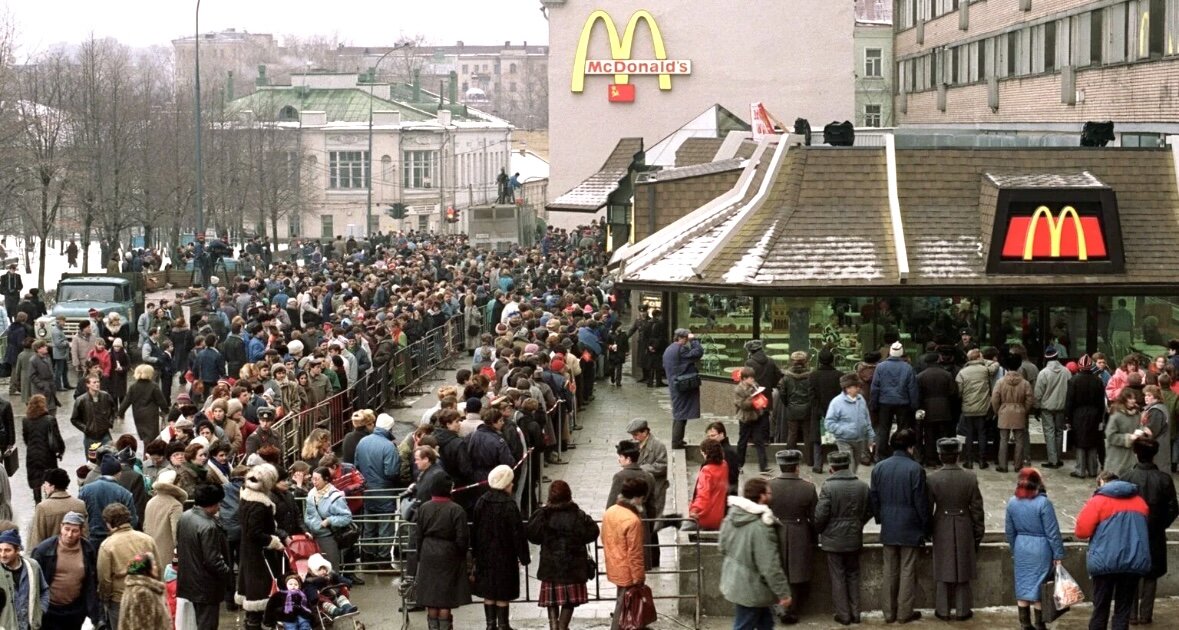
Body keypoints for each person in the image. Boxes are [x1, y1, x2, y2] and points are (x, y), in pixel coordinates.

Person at [1075, 472, 1152, 630]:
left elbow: (1082, 531)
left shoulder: (1098, 501)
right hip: (1133, 562)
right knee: (1123, 611)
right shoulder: (1140, 502)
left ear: (1102, 482)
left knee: (1100, 608)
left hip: (1105, 562)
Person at [869, 429, 929, 624]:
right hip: (910, 526)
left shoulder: (879, 468)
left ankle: (889, 613)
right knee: (907, 569)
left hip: (889, 525)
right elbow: (921, 503)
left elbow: (874, 498)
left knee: (889, 570)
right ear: (911, 447)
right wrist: (925, 527)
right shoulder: (916, 469)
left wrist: (881, 518)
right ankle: (904, 613)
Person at [718, 477, 793, 630]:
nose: (771, 496)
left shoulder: (732, 516)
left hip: (736, 581)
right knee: (744, 625)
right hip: (752, 588)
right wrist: (784, 593)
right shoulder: (761, 527)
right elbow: (769, 565)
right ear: (761, 496)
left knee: (765, 623)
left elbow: (722, 547)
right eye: (769, 493)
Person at [526, 480, 600, 630]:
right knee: (569, 601)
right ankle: (562, 626)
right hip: (573, 567)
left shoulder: (543, 514)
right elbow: (593, 532)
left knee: (552, 599)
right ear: (568, 495)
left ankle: (554, 626)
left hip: (550, 566)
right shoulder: (578, 514)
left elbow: (533, 535)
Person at [926, 438, 984, 621]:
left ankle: (942, 609)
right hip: (964, 523)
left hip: (941, 524)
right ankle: (962, 609)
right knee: (963, 568)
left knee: (942, 568)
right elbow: (977, 509)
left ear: (940, 455)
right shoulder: (970, 477)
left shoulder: (932, 478)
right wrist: (978, 532)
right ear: (958, 455)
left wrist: (928, 531)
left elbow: (927, 509)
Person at [1121, 440, 1178, 624]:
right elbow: (1173, 508)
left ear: (1136, 454)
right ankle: (1146, 614)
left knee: (1131, 574)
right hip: (1155, 533)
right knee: (1151, 575)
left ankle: (1131, 614)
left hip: (1131, 533)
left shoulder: (1126, 477)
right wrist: (1160, 524)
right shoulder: (1164, 479)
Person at [815, 451, 872, 626]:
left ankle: (843, 615)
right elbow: (870, 510)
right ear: (848, 465)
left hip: (833, 540)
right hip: (854, 538)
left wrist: (821, 530)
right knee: (853, 575)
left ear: (831, 468)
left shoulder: (828, 487)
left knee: (838, 576)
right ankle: (856, 613)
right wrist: (858, 524)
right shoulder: (862, 486)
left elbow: (820, 516)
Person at [1004, 467, 1066, 630]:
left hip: (1021, 547)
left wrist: (1014, 549)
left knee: (1023, 586)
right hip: (1041, 549)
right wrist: (1058, 554)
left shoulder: (1012, 502)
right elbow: (1052, 532)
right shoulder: (1044, 503)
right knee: (1040, 589)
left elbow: (1009, 531)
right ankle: (1039, 625)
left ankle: (1025, 624)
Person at [471, 464, 530, 630]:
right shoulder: (509, 505)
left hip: (485, 555)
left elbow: (475, 530)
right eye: (510, 482)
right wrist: (524, 556)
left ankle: (490, 625)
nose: (512, 485)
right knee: (503, 592)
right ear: (505, 484)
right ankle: (503, 625)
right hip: (505, 556)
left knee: (489, 592)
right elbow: (517, 533)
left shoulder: (481, 502)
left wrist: (475, 553)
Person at [765, 449, 816, 624]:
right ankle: (791, 609)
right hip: (800, 532)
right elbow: (814, 517)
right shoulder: (808, 487)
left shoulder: (769, 486)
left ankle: (779, 607)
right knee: (796, 574)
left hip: (776, 531)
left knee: (778, 571)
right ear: (797, 467)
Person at [414, 475, 470, 630]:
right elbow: (462, 538)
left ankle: (433, 627)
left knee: (431, 596)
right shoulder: (456, 509)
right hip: (448, 553)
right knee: (445, 597)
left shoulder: (424, 508)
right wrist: (462, 555)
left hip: (428, 551)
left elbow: (418, 534)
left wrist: (420, 554)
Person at [176, 483, 233, 629]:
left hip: (190, 580)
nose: (220, 507)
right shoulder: (208, 526)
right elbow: (213, 560)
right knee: (207, 624)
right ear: (213, 503)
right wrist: (227, 574)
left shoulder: (185, 517)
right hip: (206, 585)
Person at [236, 463, 285, 630]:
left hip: (250, 553)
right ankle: (253, 625)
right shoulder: (259, 504)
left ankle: (251, 623)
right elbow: (254, 532)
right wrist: (274, 541)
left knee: (252, 595)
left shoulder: (246, 497)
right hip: (259, 556)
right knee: (258, 596)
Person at [31, 511, 100, 630]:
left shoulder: (87, 549)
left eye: (74, 531)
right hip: (49, 610)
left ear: (81, 531)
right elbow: (33, 580)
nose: (69, 534)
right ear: (61, 527)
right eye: (66, 529)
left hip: (74, 610)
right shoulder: (44, 550)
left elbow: (92, 581)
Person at [96, 503, 159, 629]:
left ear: (109, 523)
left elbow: (105, 579)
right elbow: (158, 568)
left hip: (120, 600)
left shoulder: (107, 546)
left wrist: (105, 599)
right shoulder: (148, 540)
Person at [602, 477, 648, 630]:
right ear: (637, 497)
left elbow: (604, 537)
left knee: (622, 602)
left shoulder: (610, 511)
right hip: (628, 570)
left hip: (613, 563)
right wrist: (639, 578)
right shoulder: (633, 520)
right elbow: (635, 552)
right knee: (623, 607)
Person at [354, 412, 400, 554]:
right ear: (389, 428)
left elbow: (356, 466)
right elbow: (391, 472)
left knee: (369, 527)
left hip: (366, 491)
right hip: (385, 493)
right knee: (385, 528)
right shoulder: (389, 446)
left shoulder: (362, 442)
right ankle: (383, 558)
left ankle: (368, 556)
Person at [869, 341, 919, 460]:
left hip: (884, 402)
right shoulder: (907, 368)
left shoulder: (880, 367)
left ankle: (881, 455)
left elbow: (875, 387)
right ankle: (902, 453)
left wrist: (873, 404)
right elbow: (912, 388)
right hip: (903, 403)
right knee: (903, 430)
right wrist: (914, 405)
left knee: (883, 430)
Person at [79, 454, 138, 545]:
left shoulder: (85, 489)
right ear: (118, 473)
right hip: (115, 540)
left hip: (91, 539)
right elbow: (133, 520)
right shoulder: (124, 493)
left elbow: (79, 514)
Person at [823, 374, 876, 474]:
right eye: (856, 386)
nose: (858, 388)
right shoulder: (836, 402)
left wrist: (871, 436)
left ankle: (848, 478)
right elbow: (829, 423)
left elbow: (867, 418)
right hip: (844, 440)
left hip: (860, 440)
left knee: (855, 466)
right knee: (849, 465)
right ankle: (848, 480)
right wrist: (844, 431)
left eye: (859, 386)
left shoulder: (861, 399)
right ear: (847, 388)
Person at [991, 354, 1034, 472]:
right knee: (1019, 440)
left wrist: (998, 411)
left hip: (1004, 411)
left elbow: (995, 399)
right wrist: (1024, 410)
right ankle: (1018, 465)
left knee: (1003, 440)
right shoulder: (1025, 383)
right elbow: (1029, 399)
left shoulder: (1000, 382)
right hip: (1019, 411)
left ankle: (1002, 465)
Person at [303, 466, 352, 569]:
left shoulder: (335, 497)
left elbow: (347, 517)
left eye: (317, 479)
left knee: (331, 568)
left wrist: (329, 520)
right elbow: (308, 513)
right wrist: (308, 526)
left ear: (326, 479)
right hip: (312, 536)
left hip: (328, 537)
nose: (314, 482)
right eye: (312, 479)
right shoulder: (311, 493)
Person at [1068, 355, 1108, 478]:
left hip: (1078, 414)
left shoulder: (1074, 380)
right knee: (1093, 441)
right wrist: (1101, 418)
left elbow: (1069, 401)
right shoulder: (1098, 381)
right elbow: (1101, 402)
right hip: (1094, 414)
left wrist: (1068, 418)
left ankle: (1080, 470)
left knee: (1080, 441)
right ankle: (1092, 469)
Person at [662, 327, 703, 448]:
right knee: (681, 415)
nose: (687, 341)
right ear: (682, 338)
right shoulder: (681, 349)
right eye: (686, 338)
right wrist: (694, 340)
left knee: (680, 413)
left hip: (675, 384)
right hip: (681, 386)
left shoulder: (669, 349)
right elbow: (698, 353)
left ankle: (678, 440)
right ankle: (676, 442)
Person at [0, 528, 48, 630]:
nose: (2, 554)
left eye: (7, 550)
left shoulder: (33, 566)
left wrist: (39, 611)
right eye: (0, 550)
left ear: (17, 550)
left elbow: (44, 590)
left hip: (29, 626)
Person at [27, 468, 85, 551]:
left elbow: (37, 539)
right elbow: (85, 535)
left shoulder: (43, 507)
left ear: (52, 486)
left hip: (51, 554)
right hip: (76, 553)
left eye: (45, 484)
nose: (44, 487)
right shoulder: (80, 505)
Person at [21, 394, 64, 508]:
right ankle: (50, 502)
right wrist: (61, 451)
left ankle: (37, 503)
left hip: (32, 455)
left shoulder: (26, 420)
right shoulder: (50, 419)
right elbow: (57, 437)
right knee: (50, 478)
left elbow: (26, 438)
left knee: (36, 480)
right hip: (48, 455)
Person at [955, 349, 995, 469]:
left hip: (968, 407)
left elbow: (959, 391)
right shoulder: (985, 370)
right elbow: (996, 364)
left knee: (969, 434)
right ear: (978, 358)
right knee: (982, 433)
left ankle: (969, 460)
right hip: (983, 407)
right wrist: (984, 361)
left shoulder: (962, 372)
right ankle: (982, 460)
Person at [143, 469, 186, 566]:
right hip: (168, 554)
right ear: (175, 485)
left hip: (151, 550)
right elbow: (177, 534)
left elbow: (145, 526)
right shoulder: (175, 505)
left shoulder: (151, 502)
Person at [117, 552, 170, 630]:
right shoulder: (142, 593)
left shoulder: (134, 587)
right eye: (154, 565)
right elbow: (142, 625)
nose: (156, 568)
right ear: (146, 570)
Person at [685, 438, 729, 531]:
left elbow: (703, 494)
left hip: (705, 516)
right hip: (719, 514)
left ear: (706, 453)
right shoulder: (724, 465)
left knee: (682, 531)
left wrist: (694, 510)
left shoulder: (707, 470)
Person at [119, 364, 168, 447]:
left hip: (138, 414)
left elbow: (126, 402)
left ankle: (146, 453)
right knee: (151, 439)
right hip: (151, 415)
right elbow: (161, 401)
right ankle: (148, 453)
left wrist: (120, 413)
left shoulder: (133, 387)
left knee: (144, 437)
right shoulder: (153, 386)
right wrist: (165, 410)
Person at [734, 366, 769, 472]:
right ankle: (739, 464)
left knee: (759, 441)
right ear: (744, 378)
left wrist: (759, 398)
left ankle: (763, 466)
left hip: (756, 416)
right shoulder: (738, 389)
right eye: (750, 378)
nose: (753, 380)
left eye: (753, 377)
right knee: (742, 442)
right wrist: (752, 398)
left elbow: (759, 398)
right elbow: (742, 405)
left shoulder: (755, 385)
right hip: (745, 418)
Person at [70, 376, 117, 455]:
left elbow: (113, 409)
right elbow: (74, 419)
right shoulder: (81, 400)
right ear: (88, 384)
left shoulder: (106, 396)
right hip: (90, 437)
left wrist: (109, 422)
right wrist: (86, 428)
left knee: (109, 457)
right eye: (94, 382)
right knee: (92, 459)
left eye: (98, 382)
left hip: (105, 434)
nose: (97, 384)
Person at [1105, 388, 1145, 476]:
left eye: (1134, 398)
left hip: (1132, 455)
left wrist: (1142, 431)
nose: (1133, 401)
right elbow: (1110, 435)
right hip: (1117, 456)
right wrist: (1129, 438)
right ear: (1124, 399)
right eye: (1130, 398)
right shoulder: (1116, 415)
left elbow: (1139, 427)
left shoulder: (1137, 414)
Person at [704, 422, 740, 495]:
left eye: (713, 435)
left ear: (722, 434)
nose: (710, 439)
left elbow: (732, 476)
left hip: (725, 493)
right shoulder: (715, 450)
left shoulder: (728, 452)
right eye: (708, 436)